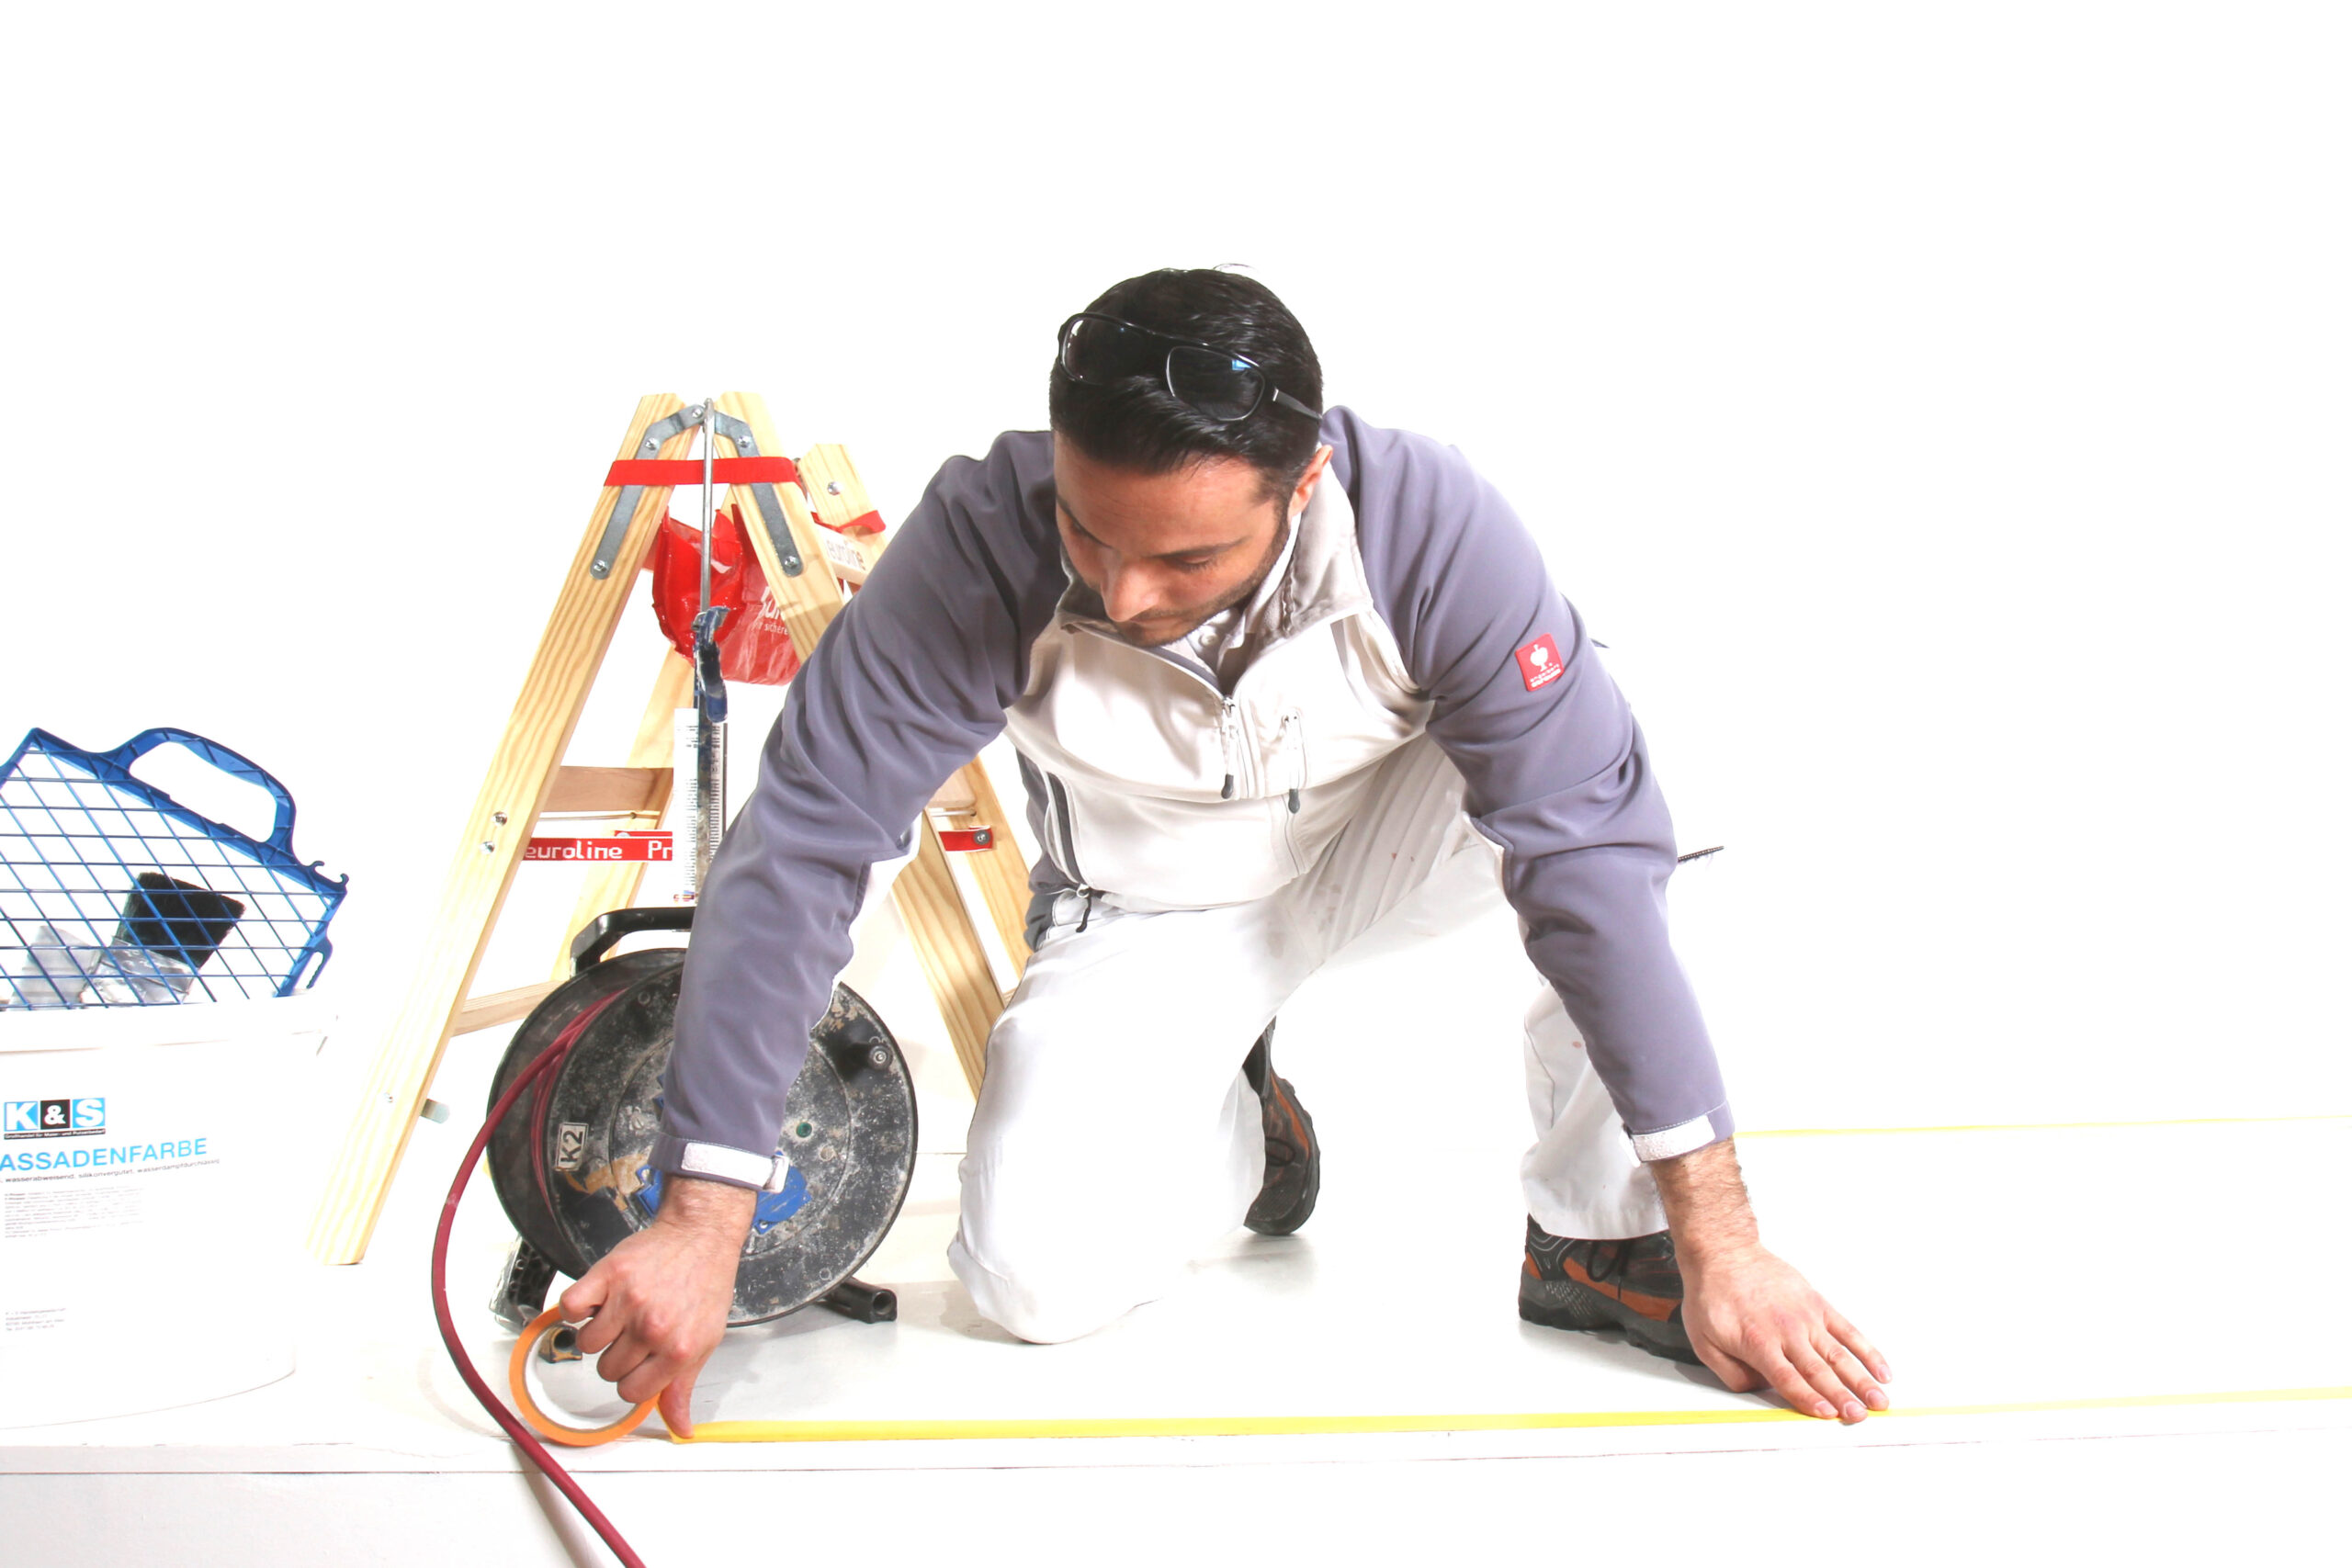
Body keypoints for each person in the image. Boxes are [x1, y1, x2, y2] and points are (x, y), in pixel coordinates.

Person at [559, 267, 1892, 1434]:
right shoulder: (979, 540)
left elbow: (1586, 855)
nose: (1124, 591)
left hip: (1396, 838)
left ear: (1302, 485)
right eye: (1089, 532)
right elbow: (805, 845)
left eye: (1186, 557)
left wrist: (1724, 1238)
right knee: (1030, 1282)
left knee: (1648, 765)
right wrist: (702, 1221)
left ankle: (1603, 1241)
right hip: (1157, 903)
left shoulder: (1426, 526)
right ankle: (1242, 1106)